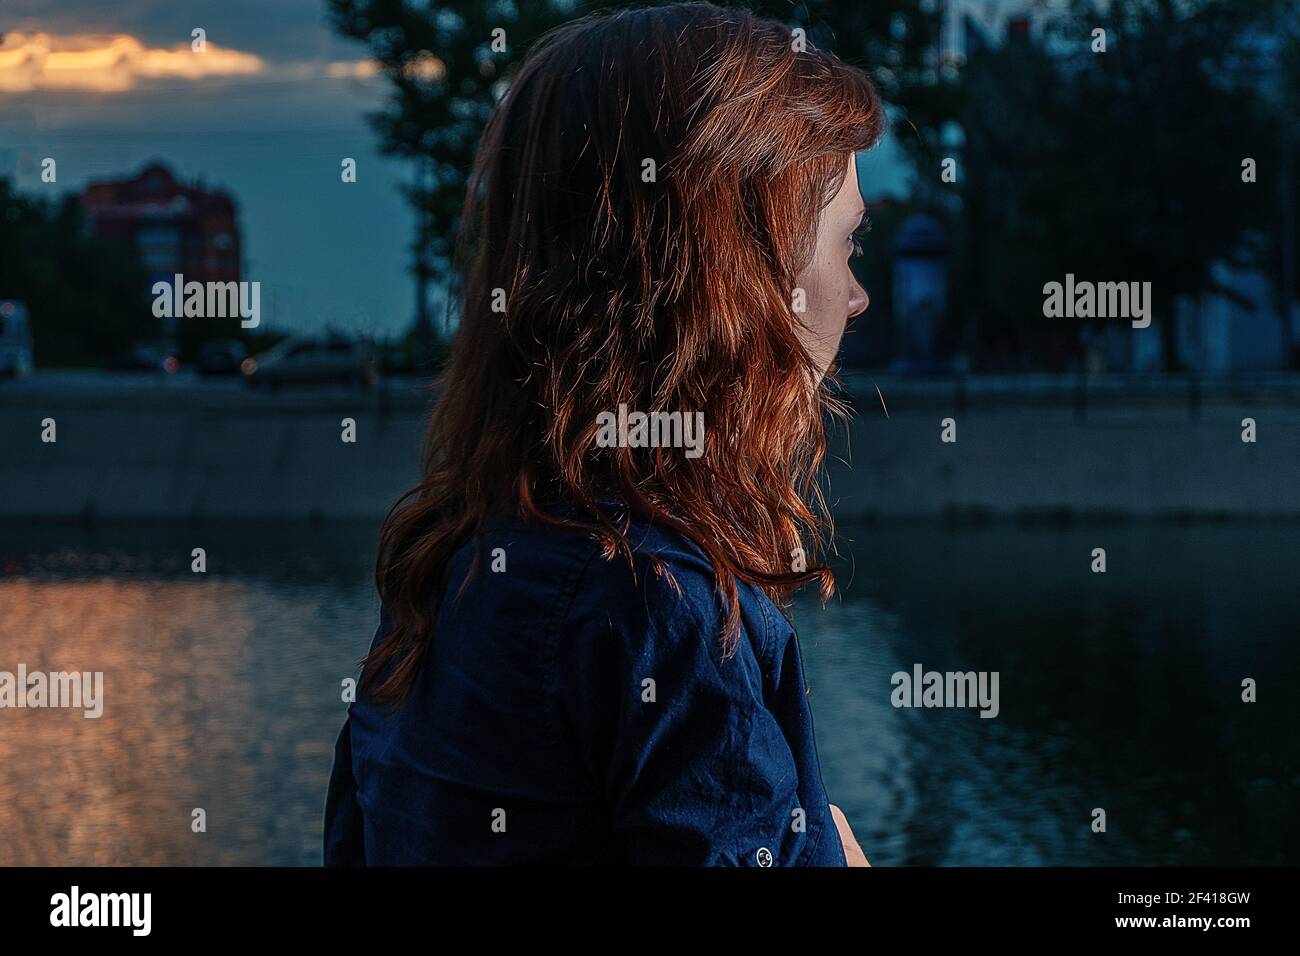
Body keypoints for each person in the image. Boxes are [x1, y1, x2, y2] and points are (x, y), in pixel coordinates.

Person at [324, 0, 880, 866]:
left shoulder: (448, 568)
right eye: (848, 243)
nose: (857, 296)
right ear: (737, 278)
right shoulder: (665, 613)